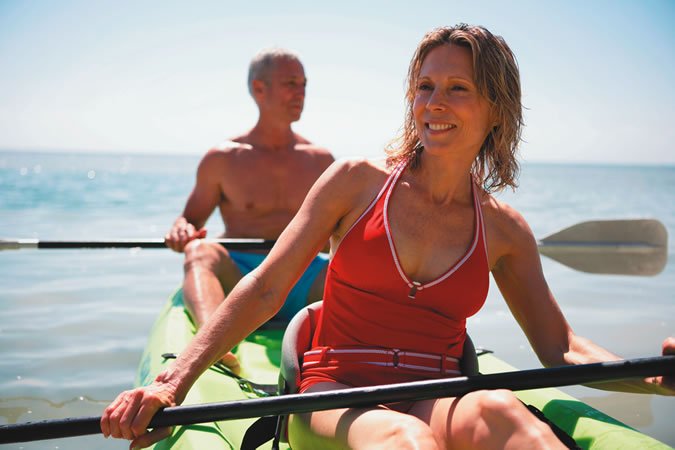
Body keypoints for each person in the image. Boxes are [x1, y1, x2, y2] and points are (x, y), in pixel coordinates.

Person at [101, 25, 674, 449]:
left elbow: (562, 349)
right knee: (405, 441)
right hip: (335, 392)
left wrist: (655, 377)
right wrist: (171, 384)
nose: (435, 103)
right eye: (425, 86)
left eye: (458, 88)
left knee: (506, 414)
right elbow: (268, 286)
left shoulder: (504, 229)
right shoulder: (355, 182)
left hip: (439, 392)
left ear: (496, 110)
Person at [163, 48, 334, 371]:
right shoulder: (223, 158)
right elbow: (190, 220)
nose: (301, 93)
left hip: (301, 275)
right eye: (290, 83)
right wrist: (181, 229)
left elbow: (341, 231)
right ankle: (213, 349)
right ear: (259, 89)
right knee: (200, 251)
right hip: (239, 278)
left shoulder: (320, 160)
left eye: (304, 84)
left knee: (347, 267)